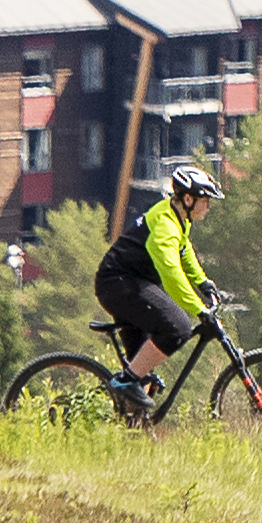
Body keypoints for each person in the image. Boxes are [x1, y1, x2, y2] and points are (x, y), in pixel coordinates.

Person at [95, 157, 223, 415]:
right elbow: (171, 273)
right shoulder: (165, 224)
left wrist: (202, 282)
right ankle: (126, 381)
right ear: (188, 199)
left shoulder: (178, 218)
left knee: (144, 378)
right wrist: (199, 309)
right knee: (178, 327)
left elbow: (184, 252)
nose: (208, 206)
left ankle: (134, 427)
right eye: (205, 200)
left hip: (128, 283)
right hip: (119, 284)